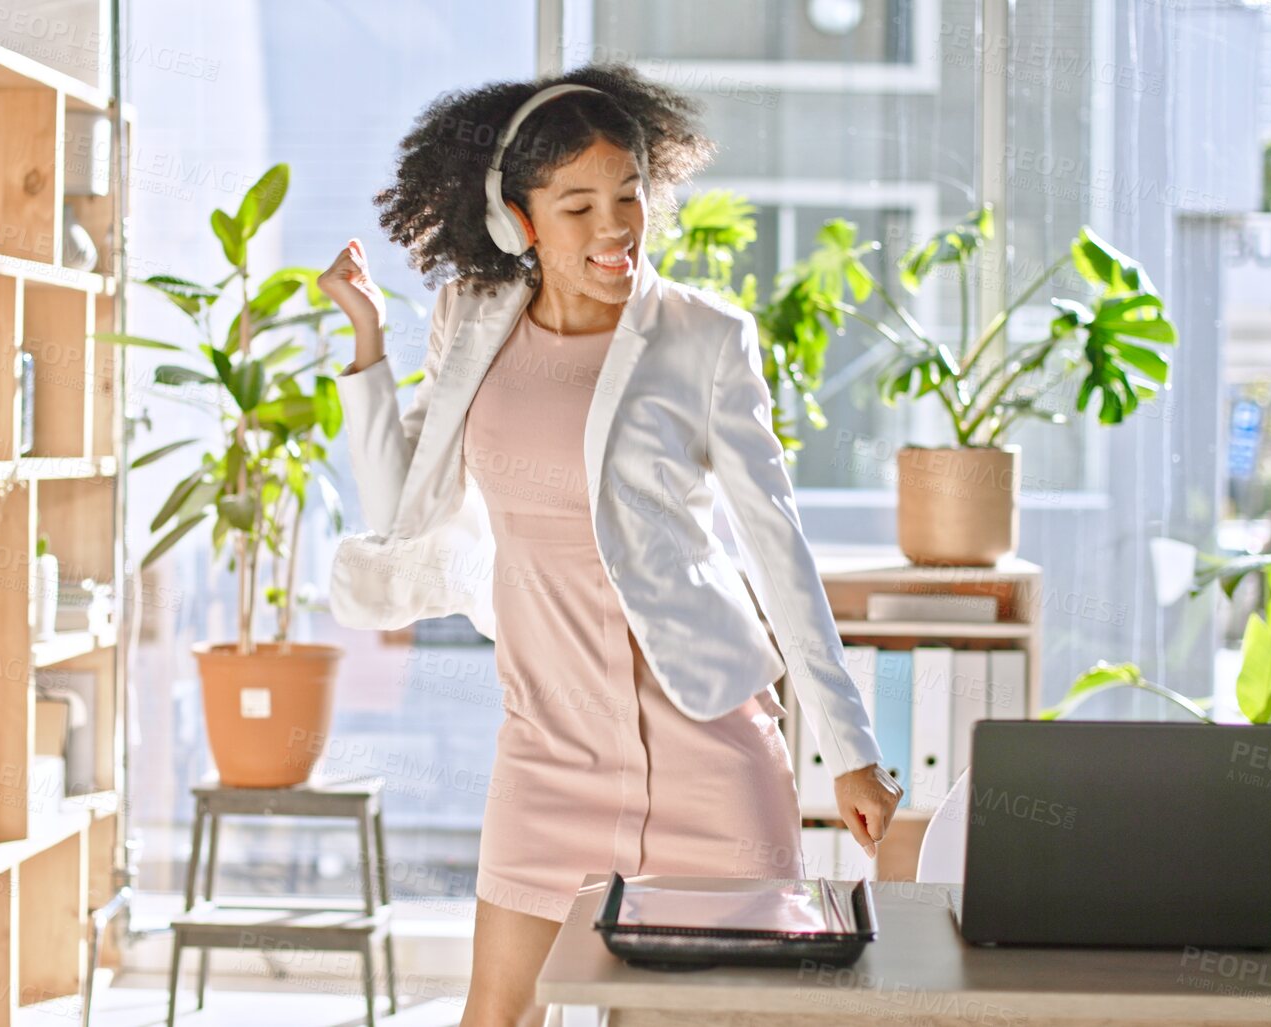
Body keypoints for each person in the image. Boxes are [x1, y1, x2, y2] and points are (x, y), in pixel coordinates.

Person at [318, 63, 901, 1027]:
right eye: (578, 203)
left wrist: (850, 749)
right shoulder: (471, 322)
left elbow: (777, 551)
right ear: (520, 219)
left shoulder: (704, 337)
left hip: (707, 743)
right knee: (496, 1012)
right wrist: (367, 344)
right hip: (547, 746)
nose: (614, 227)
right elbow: (399, 500)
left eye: (628, 195)